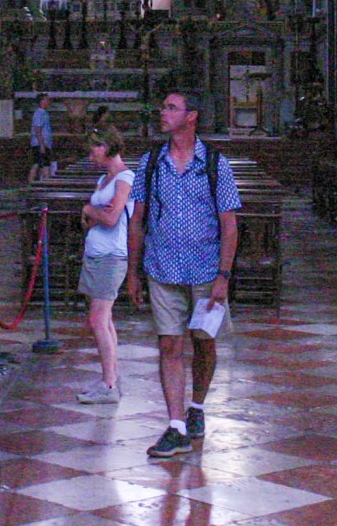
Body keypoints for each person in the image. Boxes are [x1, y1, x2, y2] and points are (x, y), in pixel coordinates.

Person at [125, 90, 240, 458]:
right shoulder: (152, 161)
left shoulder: (215, 164)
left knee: (204, 342)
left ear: (191, 116)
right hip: (162, 267)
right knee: (169, 345)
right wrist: (133, 271)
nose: (163, 113)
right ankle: (175, 427)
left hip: (206, 270)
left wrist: (224, 275)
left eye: (171, 108)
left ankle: (197, 407)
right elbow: (138, 219)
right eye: (163, 107)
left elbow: (230, 224)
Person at [76, 126, 133, 404]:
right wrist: (92, 213)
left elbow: (111, 219)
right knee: (104, 319)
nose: (90, 155)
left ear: (107, 147)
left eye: (94, 149)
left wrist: (90, 211)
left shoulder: (125, 178)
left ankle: (109, 386)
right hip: (95, 251)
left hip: (112, 254)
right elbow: (90, 219)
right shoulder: (103, 179)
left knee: (97, 319)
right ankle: (110, 378)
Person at [29, 93, 57, 182]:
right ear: (42, 101)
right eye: (47, 100)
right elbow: (38, 129)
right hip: (40, 144)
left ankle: (45, 183)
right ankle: (32, 183)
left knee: (44, 165)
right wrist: (41, 144)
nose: (49, 102)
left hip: (45, 144)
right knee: (38, 164)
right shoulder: (39, 113)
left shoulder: (44, 113)